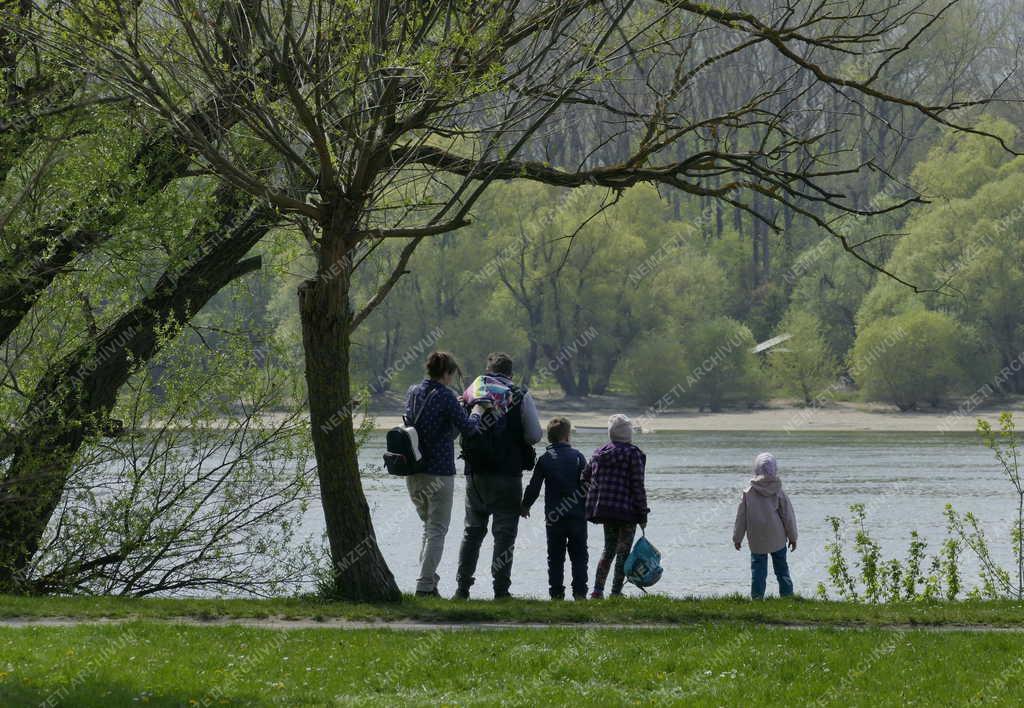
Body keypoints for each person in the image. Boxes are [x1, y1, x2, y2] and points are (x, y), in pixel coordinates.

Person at [454, 352, 543, 600]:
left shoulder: (473, 391)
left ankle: (462, 589)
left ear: (488, 369)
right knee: (504, 534)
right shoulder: (519, 394)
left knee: (472, 532)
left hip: (475, 473)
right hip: (508, 473)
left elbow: (463, 429)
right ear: (510, 374)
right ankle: (501, 590)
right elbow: (535, 435)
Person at [403, 351, 485, 598]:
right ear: (447, 373)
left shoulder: (413, 391)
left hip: (413, 470)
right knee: (437, 529)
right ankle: (425, 586)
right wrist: (478, 409)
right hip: (439, 473)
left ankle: (429, 582)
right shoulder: (446, 396)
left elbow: (431, 423)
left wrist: (456, 406)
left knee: (429, 529)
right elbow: (469, 429)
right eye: (453, 375)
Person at [521, 417, 589, 601]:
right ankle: (580, 593)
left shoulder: (545, 459)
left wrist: (525, 505)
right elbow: (587, 485)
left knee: (555, 557)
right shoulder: (578, 457)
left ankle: (556, 593)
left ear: (550, 438)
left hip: (554, 517)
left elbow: (534, 486)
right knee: (580, 556)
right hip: (577, 516)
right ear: (567, 436)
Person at [584, 414, 649, 599]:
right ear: (629, 434)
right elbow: (638, 486)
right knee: (623, 551)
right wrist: (643, 513)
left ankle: (597, 590)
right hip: (627, 512)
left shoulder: (599, 453)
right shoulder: (634, 454)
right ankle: (615, 591)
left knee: (608, 549)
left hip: (604, 509)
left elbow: (585, 476)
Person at [732, 452, 798, 599]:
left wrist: (737, 538)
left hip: (757, 539)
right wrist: (793, 537)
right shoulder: (778, 492)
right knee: (782, 569)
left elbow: (741, 517)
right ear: (775, 469)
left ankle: (757, 597)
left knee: (758, 571)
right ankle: (787, 596)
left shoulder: (748, 493)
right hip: (777, 537)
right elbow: (788, 516)